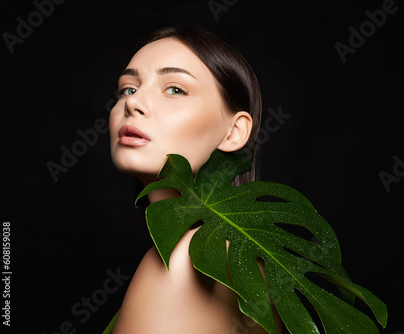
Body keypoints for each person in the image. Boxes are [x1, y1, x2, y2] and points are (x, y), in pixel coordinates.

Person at [108, 26, 281, 333]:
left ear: (234, 132)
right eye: (128, 88)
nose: (132, 104)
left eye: (175, 89)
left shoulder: (185, 261)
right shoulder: (240, 253)